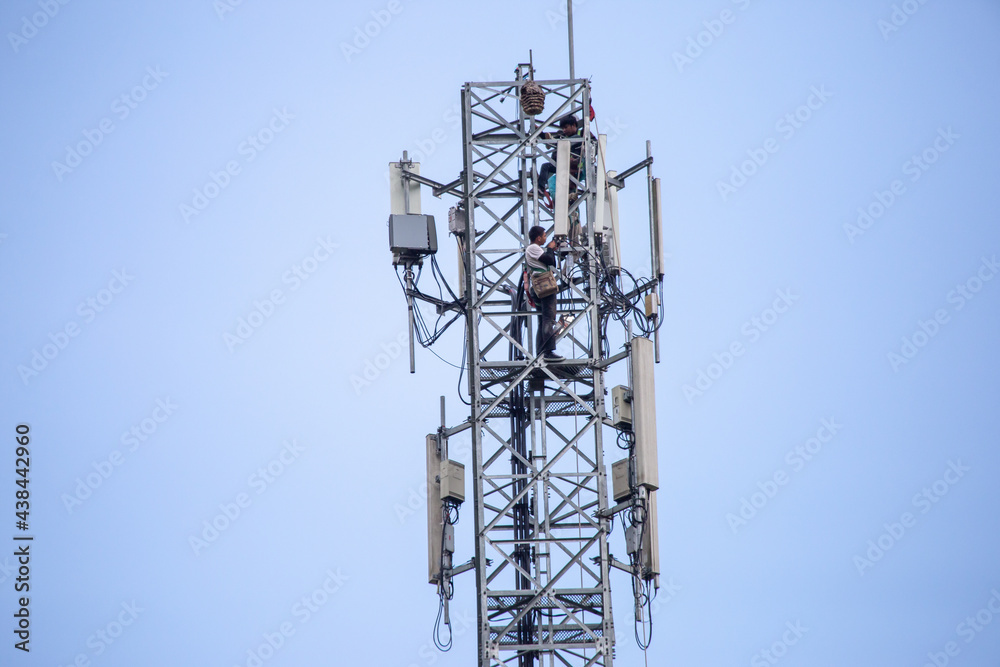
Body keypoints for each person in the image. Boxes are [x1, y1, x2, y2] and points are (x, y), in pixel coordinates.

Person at [526, 225, 563, 361]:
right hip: (544, 286)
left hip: (539, 287)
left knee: (542, 321)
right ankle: (548, 352)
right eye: (544, 236)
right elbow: (550, 261)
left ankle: (541, 352)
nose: (545, 238)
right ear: (538, 238)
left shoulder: (534, 249)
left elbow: (548, 261)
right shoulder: (533, 248)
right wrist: (550, 249)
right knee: (548, 318)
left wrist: (550, 250)